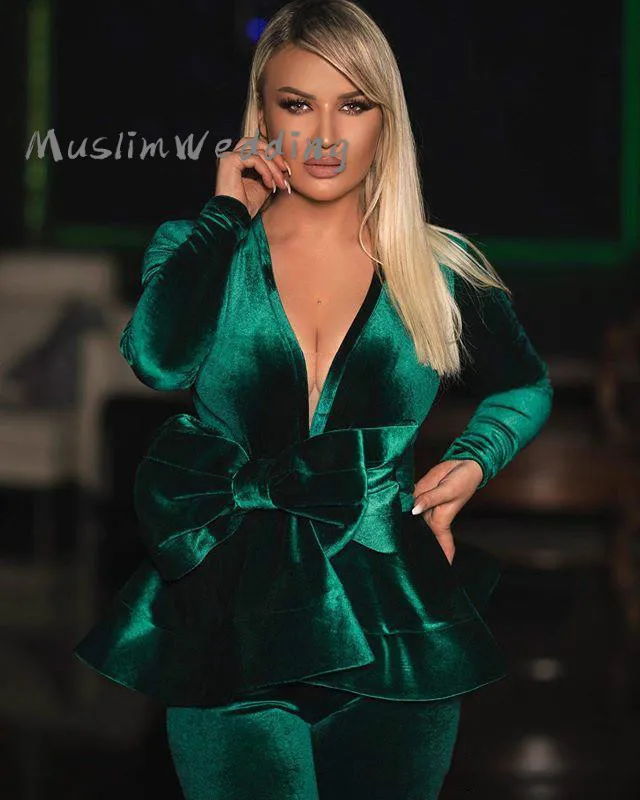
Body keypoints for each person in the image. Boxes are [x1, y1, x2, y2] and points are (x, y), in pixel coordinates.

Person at [73, 1, 554, 797]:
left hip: (394, 632)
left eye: (354, 105)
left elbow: (524, 384)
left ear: (386, 122)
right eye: (298, 104)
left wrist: (471, 465)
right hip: (231, 626)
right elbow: (157, 361)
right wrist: (226, 213)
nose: (326, 135)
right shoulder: (198, 249)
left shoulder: (440, 271)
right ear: (262, 117)